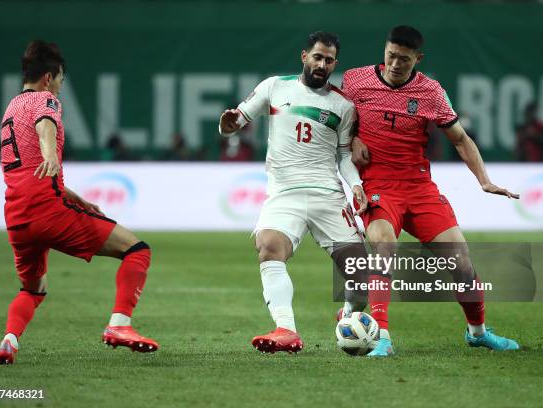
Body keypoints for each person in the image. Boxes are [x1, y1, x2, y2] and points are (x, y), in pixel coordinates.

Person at [342, 26, 520, 357]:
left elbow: (461, 139)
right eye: (391, 55)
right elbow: (338, 125)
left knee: (460, 259)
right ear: (384, 50)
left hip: (419, 186)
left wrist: (483, 180)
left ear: (418, 59)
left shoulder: (431, 92)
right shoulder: (354, 80)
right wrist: (352, 139)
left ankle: (477, 332)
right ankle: (381, 335)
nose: (395, 64)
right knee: (384, 243)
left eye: (404, 60)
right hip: (377, 184)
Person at [0, 40, 158, 365]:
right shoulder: (46, 100)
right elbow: (45, 127)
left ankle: (9, 340)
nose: (59, 87)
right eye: (60, 80)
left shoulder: (11, 108)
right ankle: (119, 325)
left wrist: (76, 198)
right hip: (46, 211)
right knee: (138, 250)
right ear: (49, 77)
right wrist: (51, 153)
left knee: (33, 289)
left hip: (16, 217)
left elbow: (28, 169)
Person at [219, 32, 369, 354]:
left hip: (328, 193)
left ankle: (347, 314)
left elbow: (343, 156)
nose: (322, 64)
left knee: (361, 275)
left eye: (328, 60)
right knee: (270, 246)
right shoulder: (274, 87)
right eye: (317, 57)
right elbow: (238, 119)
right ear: (304, 56)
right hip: (284, 191)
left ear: (335, 64)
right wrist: (228, 125)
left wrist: (355, 184)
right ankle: (286, 329)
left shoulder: (343, 106)